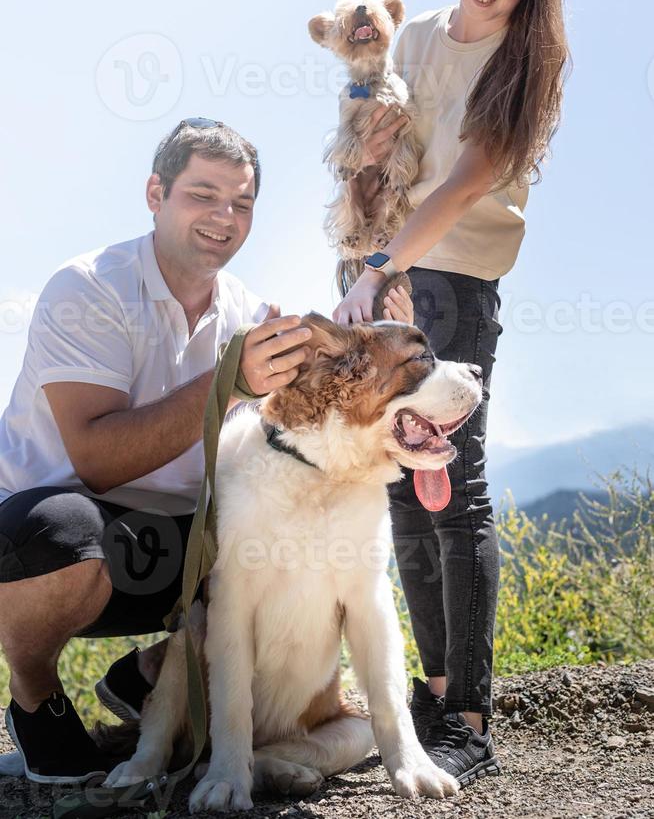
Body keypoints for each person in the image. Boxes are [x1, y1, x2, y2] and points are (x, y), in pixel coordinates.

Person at [0, 117, 413, 785]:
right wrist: (232, 381)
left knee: (285, 527)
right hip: (52, 537)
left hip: (174, 549)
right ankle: (34, 697)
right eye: (203, 193)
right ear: (155, 194)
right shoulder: (87, 290)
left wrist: (370, 342)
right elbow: (96, 460)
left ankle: (154, 673)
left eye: (242, 202)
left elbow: (299, 433)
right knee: (56, 532)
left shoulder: (251, 312)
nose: (225, 215)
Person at [333, 0, 570, 788]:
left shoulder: (527, 59)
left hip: (451, 280)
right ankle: (429, 697)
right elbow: (376, 157)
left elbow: (469, 180)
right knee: (401, 485)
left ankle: (470, 713)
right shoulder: (418, 37)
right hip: (373, 268)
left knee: (453, 488)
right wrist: (367, 168)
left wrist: (389, 266)